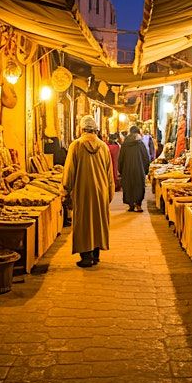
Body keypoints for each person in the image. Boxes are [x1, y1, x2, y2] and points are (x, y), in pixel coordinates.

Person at [62, 115, 114, 268]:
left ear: (82, 129)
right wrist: (109, 193)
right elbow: (109, 172)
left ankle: (86, 256)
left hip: (82, 191)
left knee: (84, 222)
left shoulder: (76, 145)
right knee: (98, 221)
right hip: (101, 191)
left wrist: (66, 189)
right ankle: (96, 254)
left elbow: (69, 171)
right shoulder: (103, 146)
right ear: (95, 130)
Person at [119, 125, 150, 212]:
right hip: (139, 169)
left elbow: (121, 158)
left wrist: (120, 170)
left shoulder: (125, 144)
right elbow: (146, 158)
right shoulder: (140, 144)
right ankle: (138, 205)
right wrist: (146, 170)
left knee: (128, 186)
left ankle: (131, 205)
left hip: (126, 169)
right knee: (139, 186)